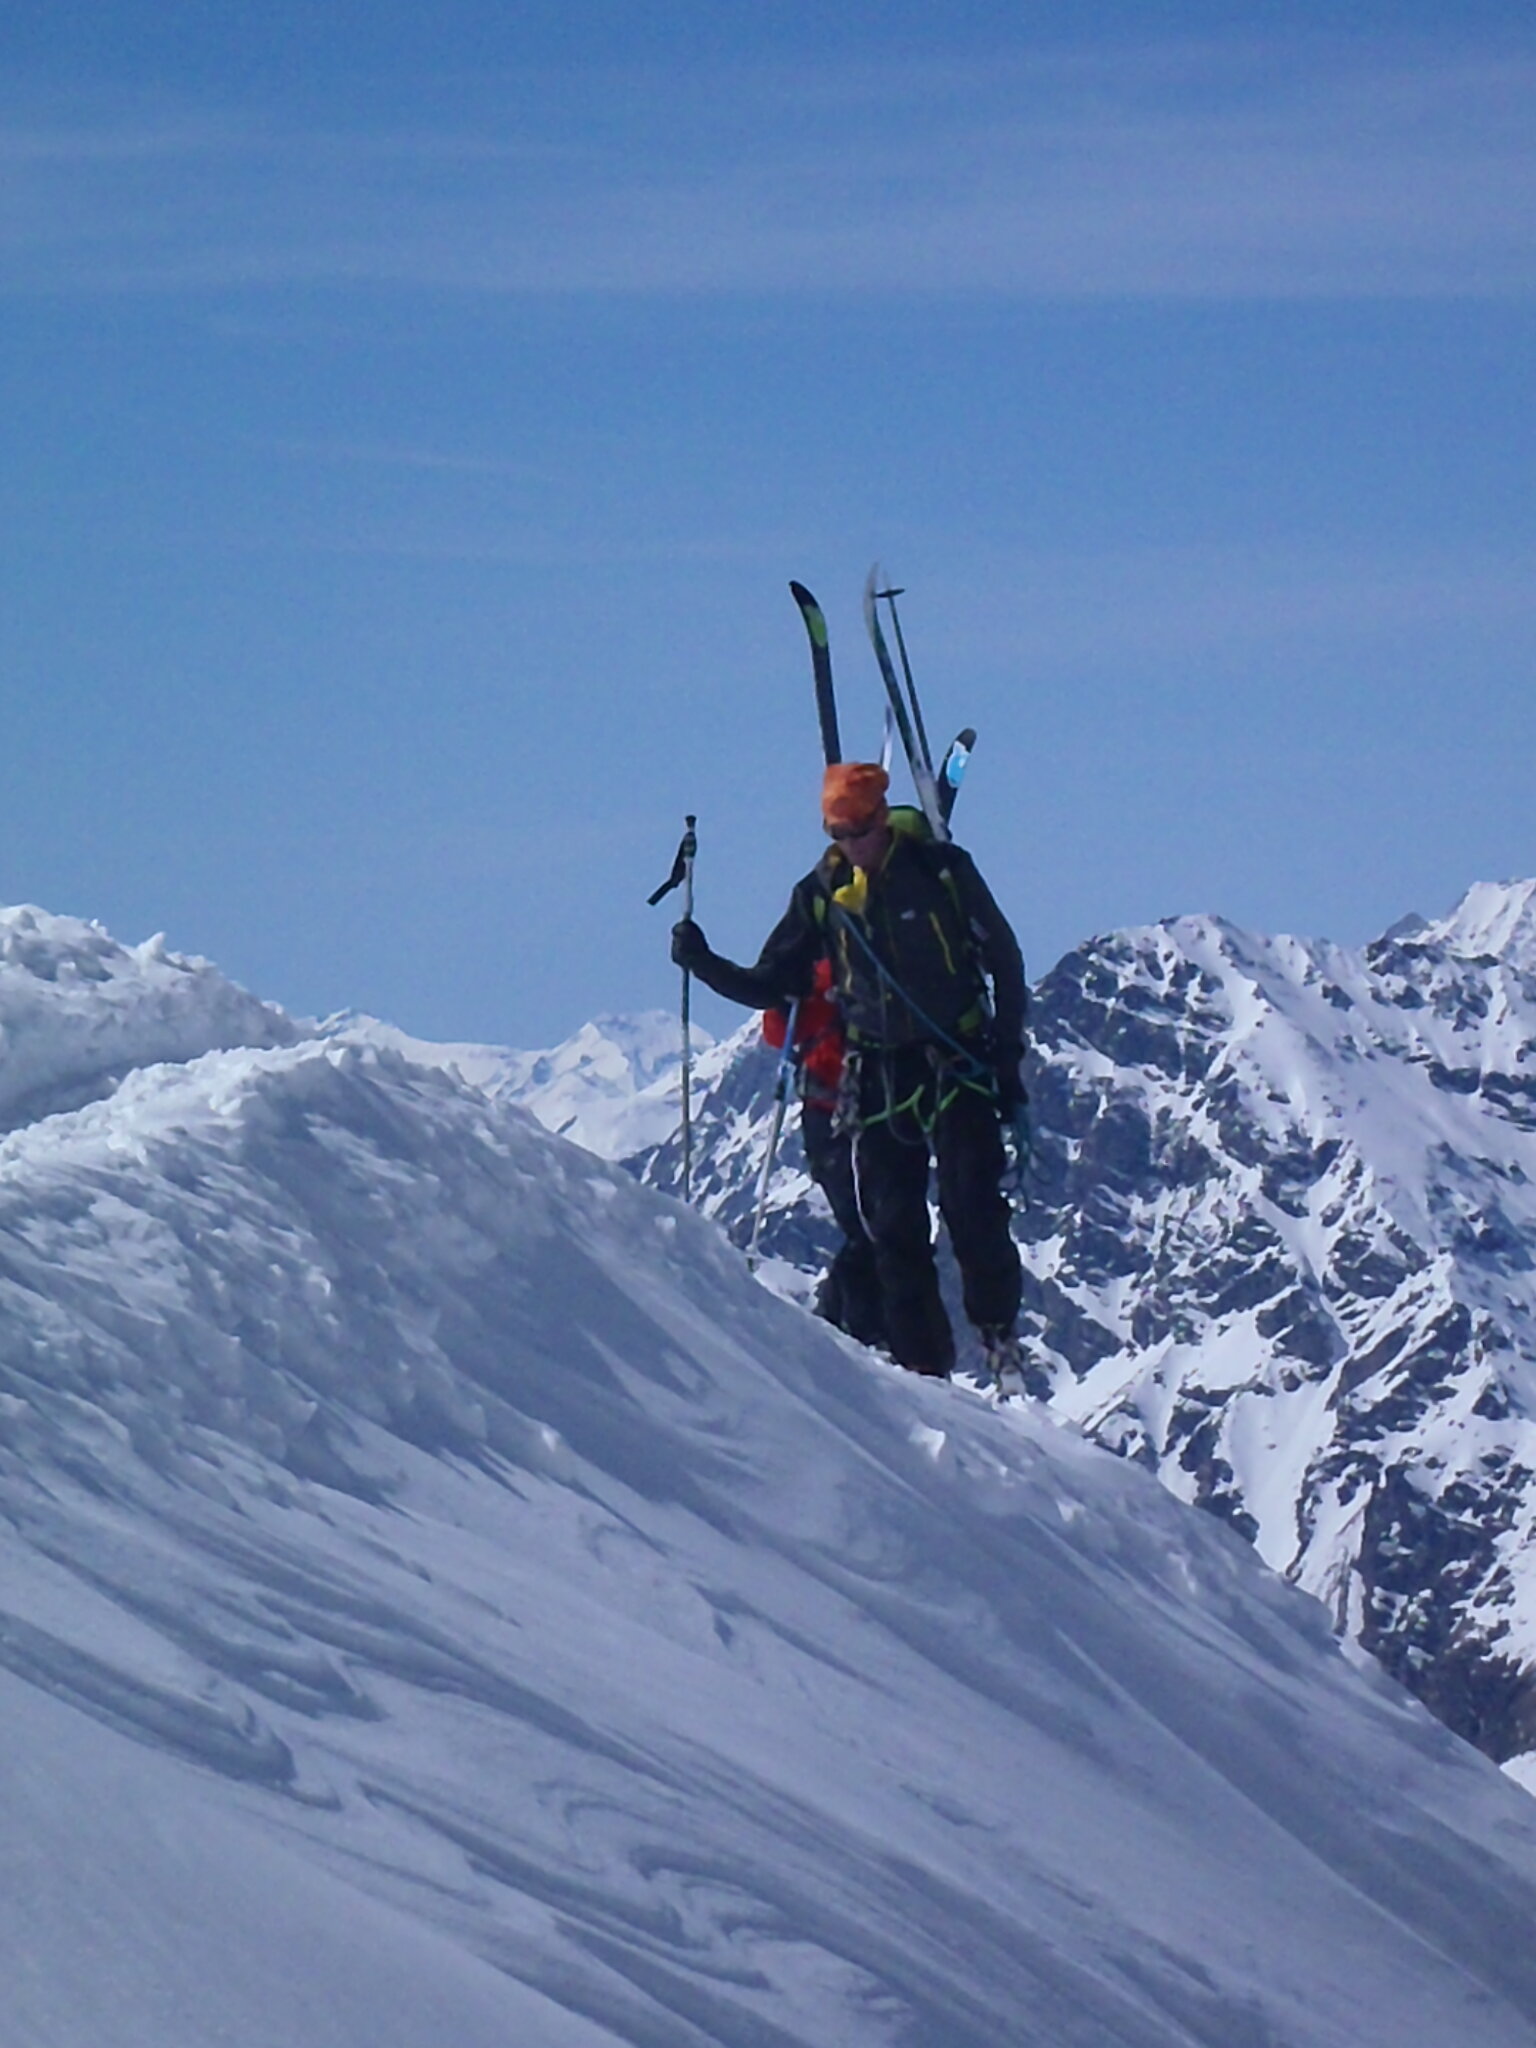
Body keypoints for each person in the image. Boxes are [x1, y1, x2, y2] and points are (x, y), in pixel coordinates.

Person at [672, 762, 1027, 1381]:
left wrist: (1005, 1055)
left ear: (882, 817)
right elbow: (771, 984)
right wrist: (703, 962)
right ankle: (924, 1365)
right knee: (893, 1229)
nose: (851, 844)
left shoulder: (942, 872)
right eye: (838, 833)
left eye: (859, 829)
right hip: (881, 1074)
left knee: (972, 1204)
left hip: (956, 1061)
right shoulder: (821, 895)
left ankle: (995, 1330)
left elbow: (1004, 955)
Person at [761, 959, 885, 1347]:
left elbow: (779, 1032)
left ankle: (845, 1328)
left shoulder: (817, 960)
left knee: (869, 1228)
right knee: (873, 1228)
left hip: (837, 1109)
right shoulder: (842, 959)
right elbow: (778, 1029)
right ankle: (862, 1331)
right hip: (858, 1109)